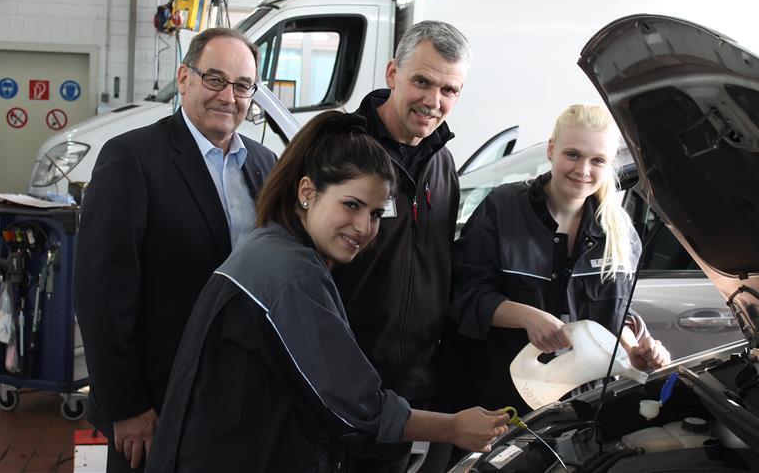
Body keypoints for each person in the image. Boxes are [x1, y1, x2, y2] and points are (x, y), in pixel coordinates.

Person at [144, 111, 510, 473]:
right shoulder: (290, 274)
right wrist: (453, 427)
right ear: (307, 192)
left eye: (376, 214)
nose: (363, 227)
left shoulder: (270, 245)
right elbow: (357, 407)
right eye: (351, 205)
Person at [74, 27, 277, 472]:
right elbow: (101, 295)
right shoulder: (131, 158)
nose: (229, 96)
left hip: (239, 397)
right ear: (185, 78)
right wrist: (127, 406)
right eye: (215, 79)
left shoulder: (265, 165)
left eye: (243, 86)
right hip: (157, 403)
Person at [446, 104, 671, 415]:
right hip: (499, 398)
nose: (583, 170)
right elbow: (465, 295)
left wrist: (632, 352)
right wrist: (527, 317)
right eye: (573, 155)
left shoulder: (619, 231)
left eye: (597, 160)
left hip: (581, 406)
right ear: (551, 149)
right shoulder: (503, 208)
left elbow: (615, 315)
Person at [331, 21, 470, 472]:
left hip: (410, 389)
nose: (433, 101)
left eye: (448, 90)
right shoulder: (344, 150)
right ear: (393, 73)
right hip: (342, 382)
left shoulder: (442, 163)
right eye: (422, 82)